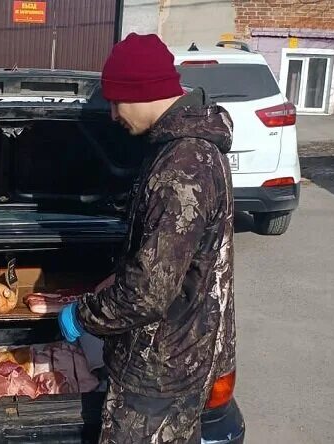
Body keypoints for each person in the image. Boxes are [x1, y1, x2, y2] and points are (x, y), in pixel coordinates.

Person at [58, 33, 236, 443]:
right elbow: (170, 263)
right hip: (181, 353)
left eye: (116, 100)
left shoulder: (182, 166)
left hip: (160, 369)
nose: (113, 113)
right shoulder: (192, 150)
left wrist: (82, 315)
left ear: (141, 92)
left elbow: (147, 292)